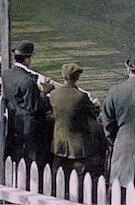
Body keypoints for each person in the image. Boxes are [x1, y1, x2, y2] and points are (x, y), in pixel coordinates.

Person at [102, 52, 135, 195]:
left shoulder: (115, 91)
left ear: (128, 68)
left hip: (122, 146)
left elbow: (107, 122)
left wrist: (114, 139)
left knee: (120, 192)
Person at [2, 40, 54, 169]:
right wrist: (45, 92)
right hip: (29, 126)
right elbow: (34, 107)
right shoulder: (28, 81)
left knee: (15, 155)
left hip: (14, 121)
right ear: (26, 60)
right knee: (32, 159)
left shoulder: (7, 74)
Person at [49, 63, 97, 193]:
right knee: (80, 181)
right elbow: (93, 114)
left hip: (59, 144)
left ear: (63, 76)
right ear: (77, 78)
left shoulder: (54, 95)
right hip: (79, 146)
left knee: (58, 178)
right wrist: (95, 104)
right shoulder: (82, 96)